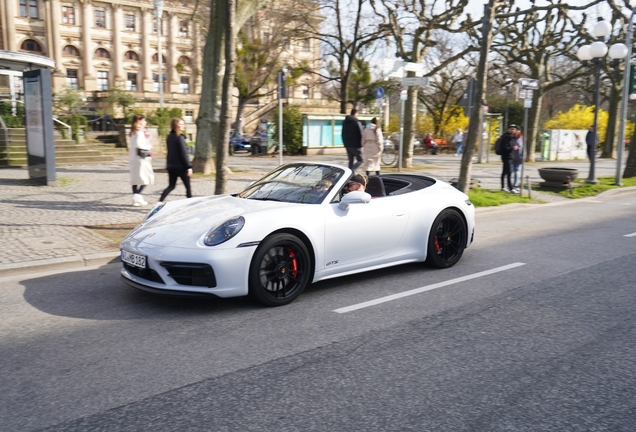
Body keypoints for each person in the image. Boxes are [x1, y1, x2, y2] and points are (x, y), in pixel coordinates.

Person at [159, 118, 193, 202]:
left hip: (171, 166)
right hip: (181, 167)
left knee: (171, 186)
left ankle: (160, 201)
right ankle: (191, 203)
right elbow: (183, 154)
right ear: (176, 126)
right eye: (180, 124)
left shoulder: (169, 137)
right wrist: (188, 166)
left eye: (183, 124)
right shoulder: (180, 138)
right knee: (187, 187)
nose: (182, 126)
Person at [128, 114, 154, 207]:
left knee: (135, 179)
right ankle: (137, 195)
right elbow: (139, 144)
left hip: (133, 157)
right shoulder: (140, 132)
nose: (145, 122)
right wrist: (149, 147)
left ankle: (136, 200)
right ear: (140, 121)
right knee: (147, 177)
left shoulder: (133, 132)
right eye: (144, 120)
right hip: (141, 158)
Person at [498, 124, 520, 193]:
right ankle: (511, 188)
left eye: (514, 129)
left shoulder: (511, 137)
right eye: (511, 129)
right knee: (509, 172)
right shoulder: (507, 137)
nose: (513, 130)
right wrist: (512, 148)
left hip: (509, 156)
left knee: (505, 172)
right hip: (507, 156)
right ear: (508, 129)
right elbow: (504, 147)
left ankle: (503, 187)